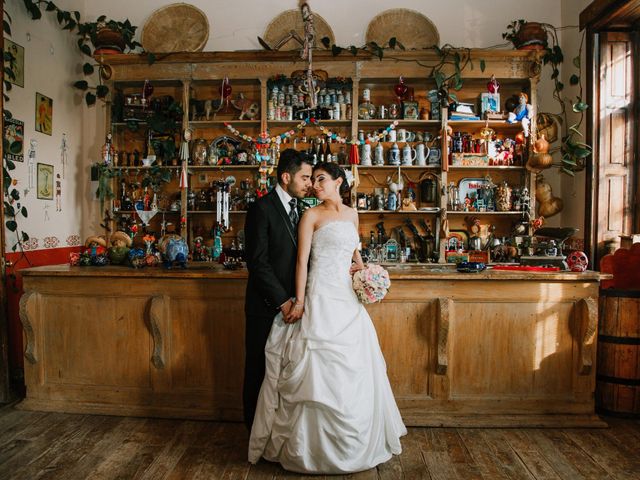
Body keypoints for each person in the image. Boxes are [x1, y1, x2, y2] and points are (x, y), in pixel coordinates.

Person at [248, 162, 407, 474]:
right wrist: (302, 301)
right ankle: (308, 449)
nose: (315, 185)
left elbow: (354, 251)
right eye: (312, 179)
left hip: (347, 298)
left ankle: (358, 443)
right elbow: (302, 263)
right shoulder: (311, 215)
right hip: (320, 294)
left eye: (321, 179)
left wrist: (364, 271)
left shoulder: (351, 214)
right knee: (313, 368)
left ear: (338, 182)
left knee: (356, 365)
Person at [243, 148, 313, 430]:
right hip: (265, 306)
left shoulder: (304, 209)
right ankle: (252, 433)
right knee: (258, 370)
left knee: (285, 373)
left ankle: (276, 433)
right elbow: (257, 262)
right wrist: (283, 301)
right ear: (286, 177)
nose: (309, 183)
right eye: (305, 177)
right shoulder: (261, 208)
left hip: (296, 308)